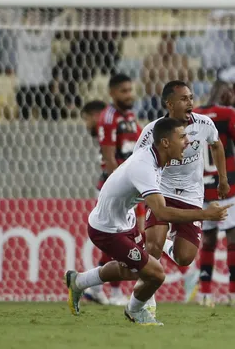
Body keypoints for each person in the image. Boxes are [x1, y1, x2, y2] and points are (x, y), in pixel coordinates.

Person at [64, 117, 230, 326]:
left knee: (132, 269)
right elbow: (162, 212)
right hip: (106, 229)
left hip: (126, 220)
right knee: (155, 274)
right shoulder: (144, 166)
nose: (188, 142)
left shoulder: (158, 159)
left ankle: (79, 281)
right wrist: (206, 215)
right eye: (182, 137)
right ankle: (135, 311)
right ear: (166, 143)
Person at [134, 81, 227, 313]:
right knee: (152, 244)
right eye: (184, 99)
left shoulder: (204, 124)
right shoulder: (153, 130)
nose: (190, 103)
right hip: (161, 190)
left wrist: (222, 179)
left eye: (191, 97)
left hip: (192, 194)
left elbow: (217, 145)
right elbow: (137, 161)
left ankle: (166, 243)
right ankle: (147, 299)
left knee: (185, 257)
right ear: (170, 104)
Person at [83, 74, 142, 306]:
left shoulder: (128, 116)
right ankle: (114, 292)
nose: (129, 95)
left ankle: (95, 288)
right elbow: (109, 156)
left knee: (121, 238)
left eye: (130, 90)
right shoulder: (108, 118)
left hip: (128, 187)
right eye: (124, 91)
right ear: (112, 93)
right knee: (120, 239)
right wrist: (121, 187)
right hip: (115, 188)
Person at [194, 81, 235, 308]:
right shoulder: (229, 114)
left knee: (207, 238)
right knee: (234, 235)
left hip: (202, 187)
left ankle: (204, 293)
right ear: (226, 94)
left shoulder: (195, 115)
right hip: (228, 184)